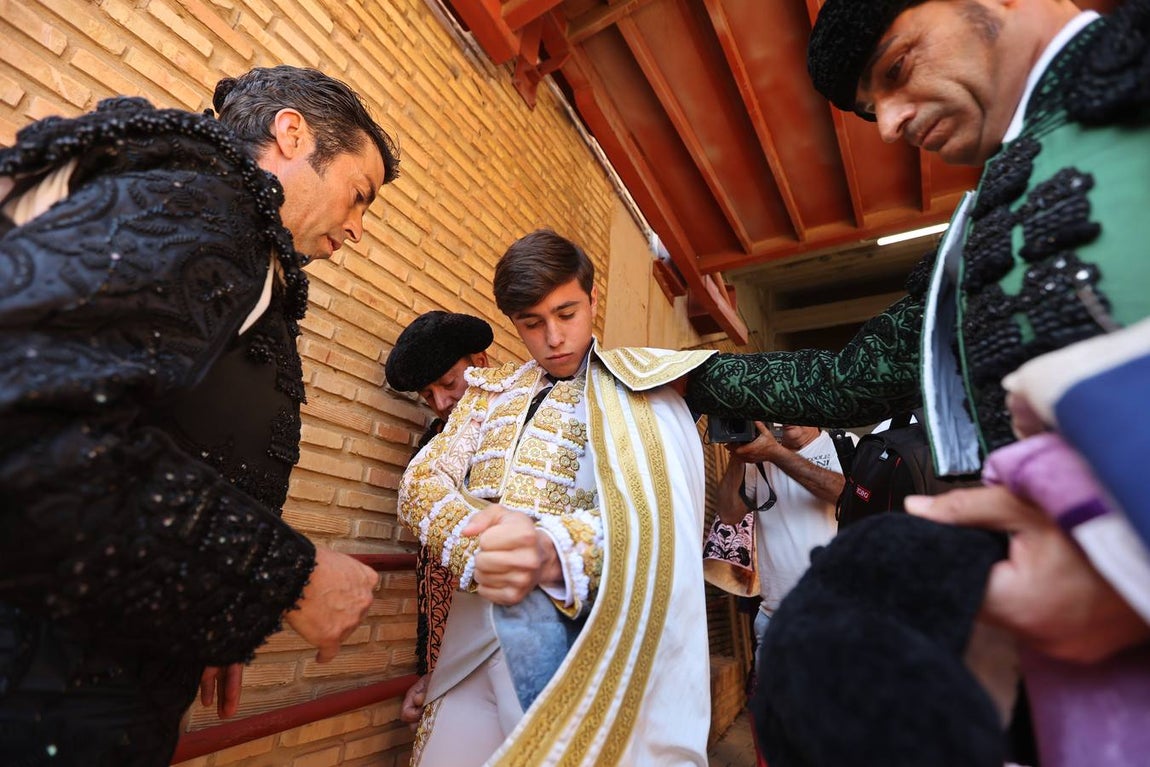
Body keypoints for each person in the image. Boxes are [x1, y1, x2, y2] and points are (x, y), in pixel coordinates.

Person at [680, 0, 1150, 763]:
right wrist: (695, 375)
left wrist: (1122, 564)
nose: (892, 123)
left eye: (899, 69)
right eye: (875, 109)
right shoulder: (971, 232)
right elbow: (850, 380)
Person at [0, 65, 399, 766]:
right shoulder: (199, 201)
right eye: (358, 195)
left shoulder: (239, 232)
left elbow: (172, 430)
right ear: (291, 132)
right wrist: (281, 575)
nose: (359, 228)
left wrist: (204, 606)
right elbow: (28, 418)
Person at [398, 229, 717, 766]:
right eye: (532, 323)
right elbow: (419, 485)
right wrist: (488, 554)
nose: (553, 338)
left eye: (566, 314)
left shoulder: (637, 391)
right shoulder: (487, 392)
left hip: (572, 636)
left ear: (593, 300)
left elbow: (653, 521)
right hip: (472, 635)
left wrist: (549, 551)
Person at [382, 310, 493, 725]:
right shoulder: (435, 442)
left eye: (448, 384)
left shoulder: (531, 415)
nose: (442, 403)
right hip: (452, 642)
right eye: (428, 395)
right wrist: (434, 669)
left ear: (479, 363)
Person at [714, 424, 849, 651]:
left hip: (834, 616)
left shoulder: (844, 444)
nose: (786, 418)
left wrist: (776, 454)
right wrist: (737, 454)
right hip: (774, 618)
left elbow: (844, 494)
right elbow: (728, 515)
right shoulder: (759, 460)